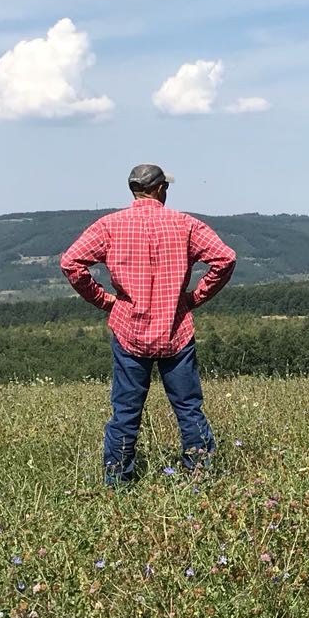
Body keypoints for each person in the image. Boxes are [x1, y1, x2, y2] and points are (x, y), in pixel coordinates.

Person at [60, 164, 237, 485]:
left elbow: (70, 263)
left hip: (129, 331)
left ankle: (117, 484)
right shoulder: (185, 224)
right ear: (159, 190)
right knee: (188, 409)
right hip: (176, 330)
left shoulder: (109, 226)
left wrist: (104, 300)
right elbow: (225, 259)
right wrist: (195, 297)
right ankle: (201, 478)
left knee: (125, 414)